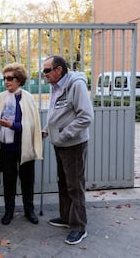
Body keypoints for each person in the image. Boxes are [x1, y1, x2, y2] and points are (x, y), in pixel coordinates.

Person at [42, 55, 94, 245]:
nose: (44, 74)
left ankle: (79, 227)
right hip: (60, 144)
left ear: (59, 70)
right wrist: (48, 130)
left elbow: (86, 117)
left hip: (73, 145)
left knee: (74, 185)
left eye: (47, 70)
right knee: (63, 183)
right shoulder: (55, 86)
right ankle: (66, 218)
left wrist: (63, 134)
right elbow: (59, 113)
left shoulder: (76, 85)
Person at [0, 62, 43, 226]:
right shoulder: (0, 98)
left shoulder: (28, 99)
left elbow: (33, 126)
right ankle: (9, 211)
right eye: (4, 78)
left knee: (27, 180)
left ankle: (29, 211)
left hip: (24, 146)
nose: (6, 82)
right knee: (9, 180)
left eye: (10, 78)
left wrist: (13, 125)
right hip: (7, 147)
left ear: (19, 79)